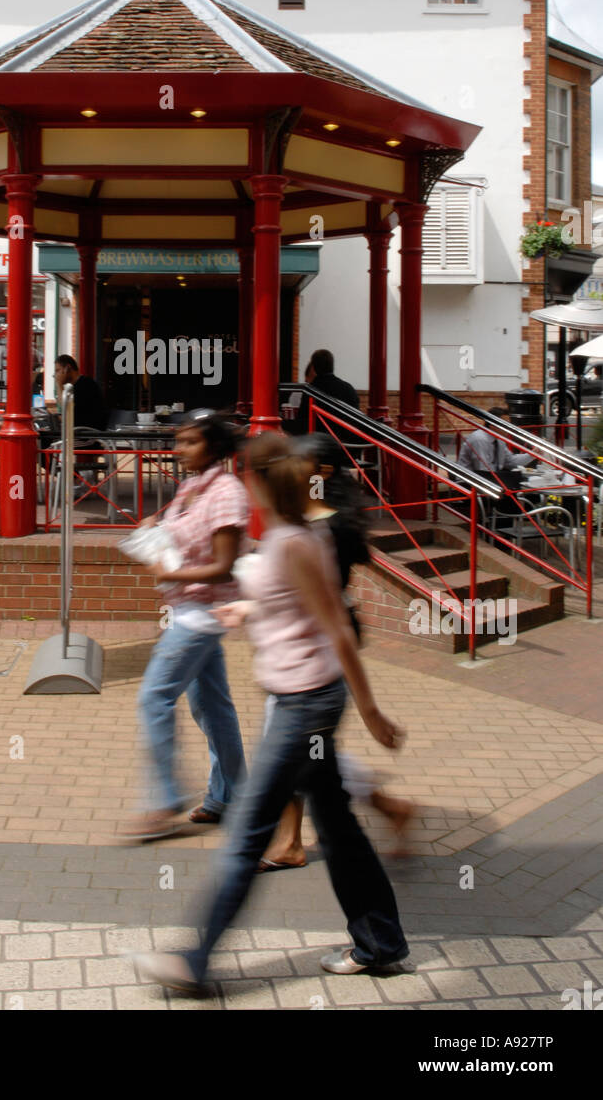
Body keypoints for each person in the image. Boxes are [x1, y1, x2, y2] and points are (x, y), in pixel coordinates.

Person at [137, 430, 411, 993]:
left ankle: (195, 961)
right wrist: (246, 609)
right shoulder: (295, 535)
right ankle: (381, 942)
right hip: (305, 698)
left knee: (247, 830)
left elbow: (334, 624)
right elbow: (295, 605)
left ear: (257, 478)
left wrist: (372, 711)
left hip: (303, 704)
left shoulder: (292, 541)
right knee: (338, 827)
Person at [258, 435, 414, 871]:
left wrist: (371, 710)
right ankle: (382, 808)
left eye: (297, 464)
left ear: (321, 473)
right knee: (311, 753)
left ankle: (296, 839)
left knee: (299, 750)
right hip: (304, 649)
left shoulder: (326, 524)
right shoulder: (315, 518)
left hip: (319, 649)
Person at [120, 410, 248, 841]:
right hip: (187, 611)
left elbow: (224, 567)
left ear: (212, 446)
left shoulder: (227, 492)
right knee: (212, 708)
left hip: (201, 615)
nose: (179, 450)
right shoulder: (192, 487)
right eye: (178, 441)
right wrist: (154, 527)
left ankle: (163, 798)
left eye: (189, 442)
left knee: (153, 698)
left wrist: (168, 574)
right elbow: (178, 531)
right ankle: (230, 796)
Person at [54, 355, 107, 432]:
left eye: (57, 370)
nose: (56, 375)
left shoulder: (86, 385)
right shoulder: (73, 387)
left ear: (67, 368)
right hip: (77, 431)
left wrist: (59, 384)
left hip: (88, 435)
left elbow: (67, 411)